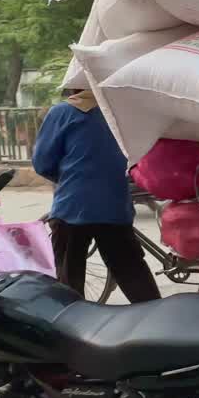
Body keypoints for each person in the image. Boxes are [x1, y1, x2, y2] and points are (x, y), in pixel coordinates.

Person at [33, 88, 161, 303]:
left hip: (72, 208)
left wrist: (69, 179)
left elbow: (42, 163)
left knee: (68, 282)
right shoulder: (122, 113)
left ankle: (70, 329)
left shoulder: (63, 112)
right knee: (133, 275)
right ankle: (157, 319)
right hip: (115, 207)